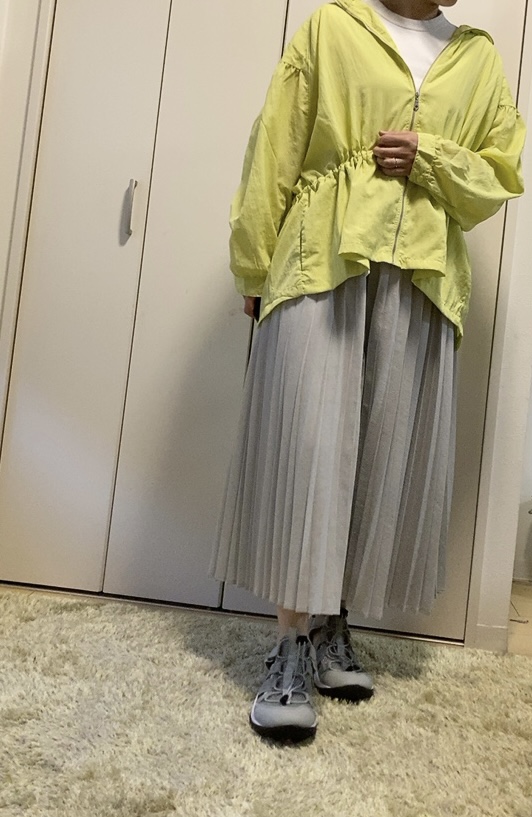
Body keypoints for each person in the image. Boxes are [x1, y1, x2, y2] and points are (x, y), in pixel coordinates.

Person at [211, 0, 526, 742]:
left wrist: (431, 157)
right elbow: (276, 145)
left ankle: (331, 624)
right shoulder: (332, 27)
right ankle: (290, 644)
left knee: (380, 457)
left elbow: (499, 175)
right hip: (323, 259)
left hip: (419, 276)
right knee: (311, 452)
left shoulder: (478, 57)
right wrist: (253, 264)